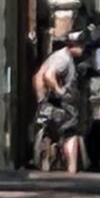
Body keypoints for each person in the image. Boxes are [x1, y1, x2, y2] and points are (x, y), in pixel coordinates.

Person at [32, 32, 85, 173]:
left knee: (51, 125)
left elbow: (38, 75)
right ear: (74, 46)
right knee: (71, 131)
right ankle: (72, 168)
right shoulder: (64, 59)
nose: (83, 49)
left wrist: (41, 98)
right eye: (81, 46)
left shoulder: (57, 55)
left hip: (47, 100)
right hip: (61, 101)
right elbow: (49, 74)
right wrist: (59, 90)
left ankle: (47, 151)